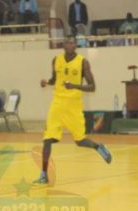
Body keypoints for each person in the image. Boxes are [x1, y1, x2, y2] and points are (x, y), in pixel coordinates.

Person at [33, 36, 112, 185]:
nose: (69, 45)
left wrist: (75, 86)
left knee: (80, 141)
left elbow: (92, 87)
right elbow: (55, 79)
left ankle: (98, 147)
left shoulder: (83, 62)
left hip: (74, 105)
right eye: (67, 42)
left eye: (72, 43)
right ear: (63, 45)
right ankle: (44, 174)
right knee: (47, 139)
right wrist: (47, 82)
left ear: (76, 45)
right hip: (57, 103)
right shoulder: (56, 60)